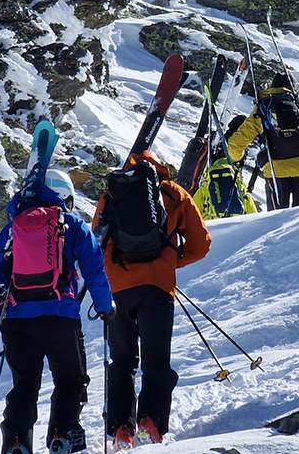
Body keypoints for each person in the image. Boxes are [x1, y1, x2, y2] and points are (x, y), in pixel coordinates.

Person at [0, 169, 116, 454]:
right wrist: (105, 307)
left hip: (17, 322)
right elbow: (95, 270)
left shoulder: (12, 229)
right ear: (64, 195)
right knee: (70, 379)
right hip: (60, 318)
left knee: (25, 384)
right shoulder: (73, 224)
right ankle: (62, 434)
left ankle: (16, 442)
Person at [95, 150, 211, 450]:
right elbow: (200, 245)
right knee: (156, 360)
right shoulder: (174, 193)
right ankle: (150, 422)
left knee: (122, 361)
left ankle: (121, 428)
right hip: (157, 288)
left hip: (118, 289)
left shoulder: (112, 194)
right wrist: (169, 262)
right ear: (160, 166)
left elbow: (99, 243)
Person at [227, 72, 299, 208]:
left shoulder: (263, 109)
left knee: (277, 222)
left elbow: (235, 144)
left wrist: (237, 159)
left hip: (275, 170)